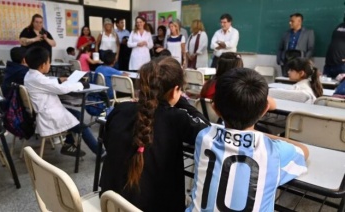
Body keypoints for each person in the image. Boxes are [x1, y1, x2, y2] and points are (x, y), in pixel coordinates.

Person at [186, 68, 309, 212]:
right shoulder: (274, 151)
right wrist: (259, 134)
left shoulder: (204, 137)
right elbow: (304, 151)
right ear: (265, 110)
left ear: (215, 108)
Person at [100, 56, 210, 211]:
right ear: (175, 91)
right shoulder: (178, 118)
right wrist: (180, 101)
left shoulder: (120, 110)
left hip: (112, 204)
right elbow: (207, 129)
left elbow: (107, 142)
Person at [24, 46, 100, 157]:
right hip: (50, 115)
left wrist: (58, 80)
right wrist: (81, 85)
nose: (50, 64)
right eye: (49, 62)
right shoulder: (39, 79)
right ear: (42, 65)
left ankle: (68, 144)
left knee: (77, 115)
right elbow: (61, 89)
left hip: (48, 110)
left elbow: (47, 83)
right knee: (83, 127)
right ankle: (100, 152)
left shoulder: (30, 75)